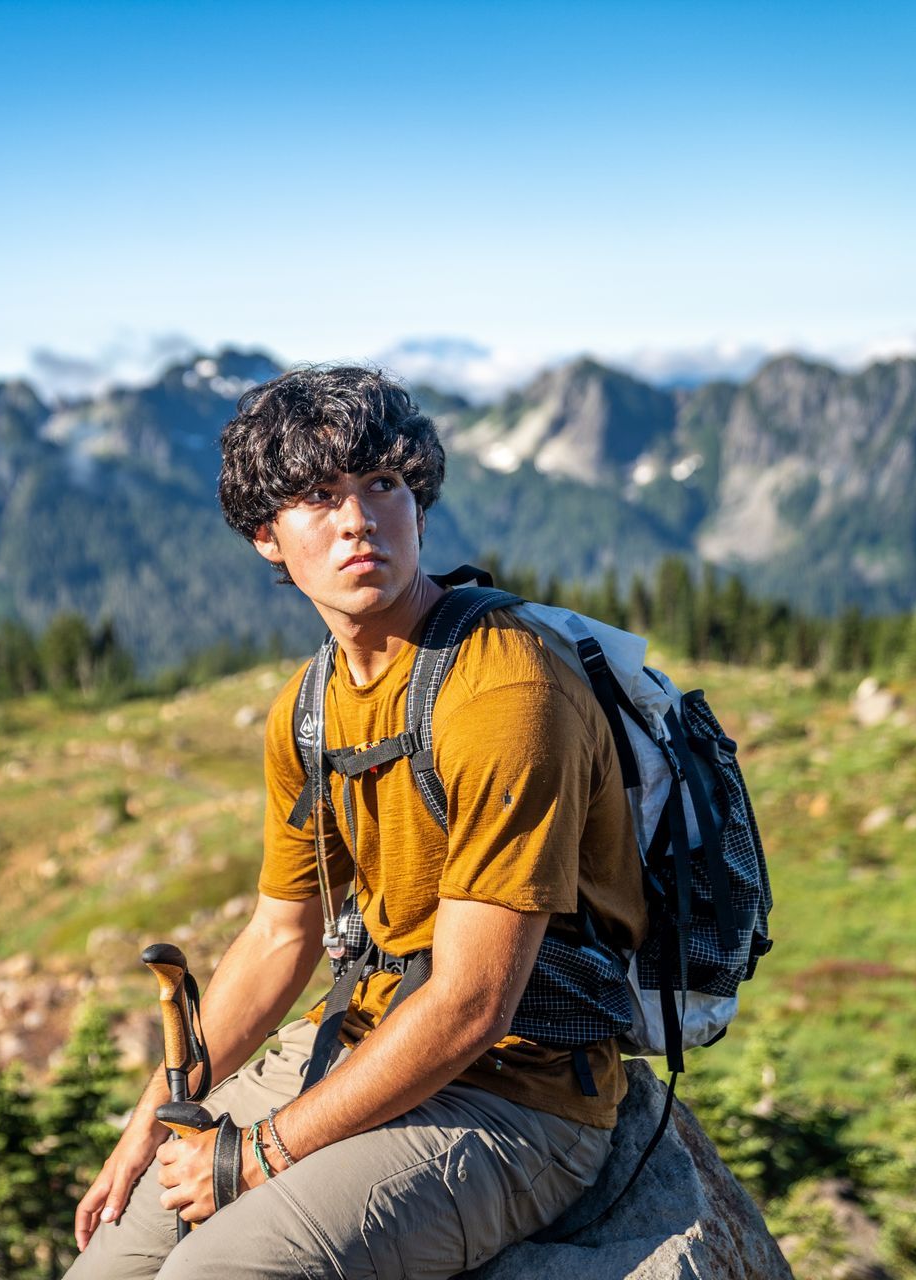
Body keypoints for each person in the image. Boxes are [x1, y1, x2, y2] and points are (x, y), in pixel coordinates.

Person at [65, 366, 646, 1279]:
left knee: (212, 1274)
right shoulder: (309, 709)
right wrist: (151, 1121)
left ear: (418, 502)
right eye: (319, 496)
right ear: (266, 537)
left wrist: (256, 1155)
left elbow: (472, 1001)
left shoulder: (506, 689)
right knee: (107, 1268)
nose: (359, 519)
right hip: (363, 1042)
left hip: (519, 1096)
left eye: (384, 484)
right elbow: (278, 935)